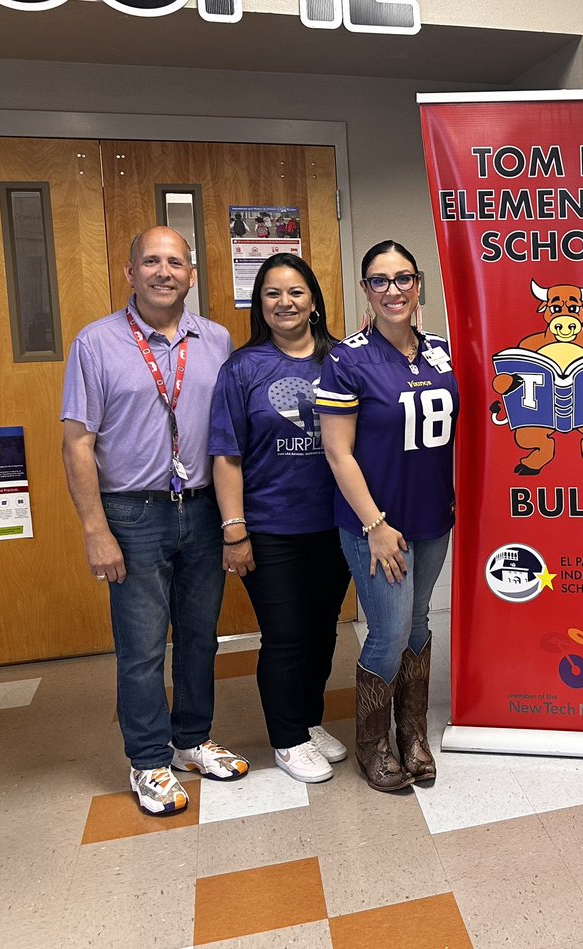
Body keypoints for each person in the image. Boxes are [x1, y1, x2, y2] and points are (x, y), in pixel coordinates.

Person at [61, 226, 249, 816]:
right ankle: (148, 761)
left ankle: (191, 739)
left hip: (201, 506)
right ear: (130, 272)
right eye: (151, 261)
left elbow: (231, 436)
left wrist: (232, 520)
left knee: (200, 636)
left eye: (175, 262)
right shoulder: (96, 343)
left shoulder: (216, 339)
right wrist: (95, 528)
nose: (163, 272)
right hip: (132, 513)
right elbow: (77, 444)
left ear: (192, 275)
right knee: (141, 647)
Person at [316, 240, 457, 792]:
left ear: (419, 283)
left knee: (419, 624)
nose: (393, 290)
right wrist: (376, 526)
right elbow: (337, 452)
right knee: (390, 630)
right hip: (375, 525)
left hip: (431, 519)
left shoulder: (443, 352)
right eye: (380, 280)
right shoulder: (347, 359)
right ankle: (372, 743)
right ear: (365, 290)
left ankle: (413, 734)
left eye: (404, 278)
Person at [209, 253, 352, 784]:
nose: (284, 302)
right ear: (259, 304)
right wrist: (234, 530)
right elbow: (226, 455)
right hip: (269, 529)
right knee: (286, 635)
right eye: (272, 293)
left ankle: (308, 722)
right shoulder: (243, 369)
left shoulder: (341, 361)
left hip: (336, 525)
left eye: (295, 292)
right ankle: (287, 739)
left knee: (321, 632)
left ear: (313, 300)